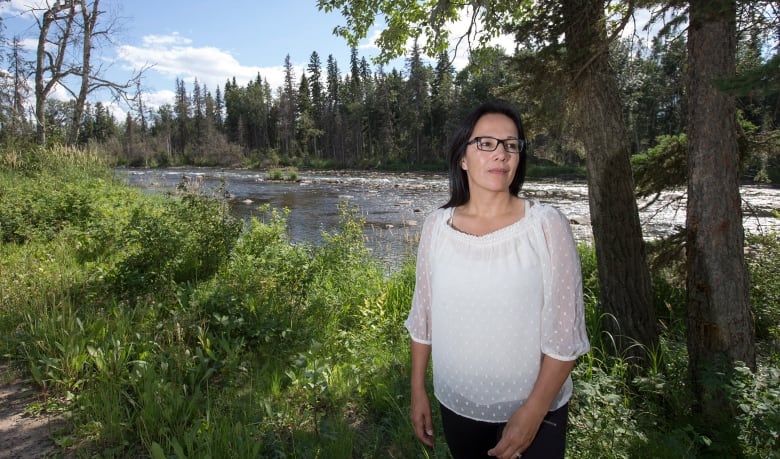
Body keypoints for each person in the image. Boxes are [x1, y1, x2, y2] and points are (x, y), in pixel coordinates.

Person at [404, 100, 590, 459]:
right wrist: (418, 390)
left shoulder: (547, 225)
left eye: (510, 144)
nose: (500, 153)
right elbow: (423, 318)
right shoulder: (435, 227)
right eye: (486, 143)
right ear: (462, 157)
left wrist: (533, 413)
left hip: (536, 412)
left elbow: (565, 338)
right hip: (456, 405)